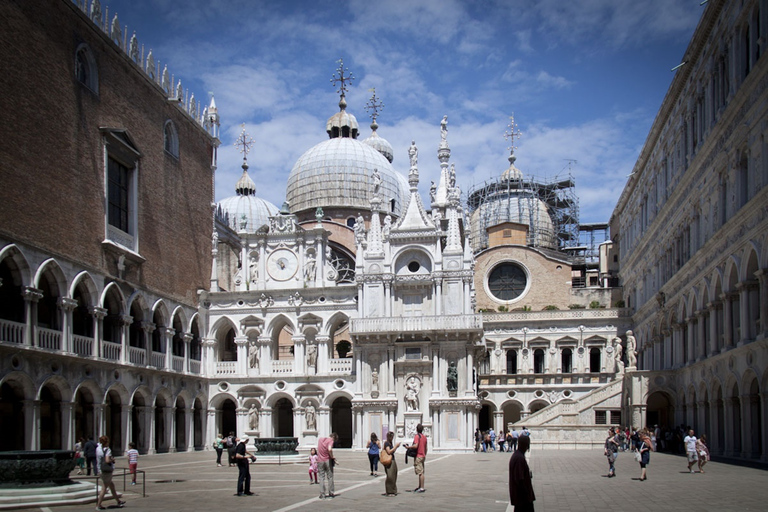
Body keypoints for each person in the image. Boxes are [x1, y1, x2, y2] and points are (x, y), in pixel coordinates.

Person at [95, 436, 124, 510]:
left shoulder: (98, 449)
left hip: (100, 469)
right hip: (106, 471)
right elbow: (107, 460)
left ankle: (118, 501)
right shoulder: (107, 450)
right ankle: (98, 505)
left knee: (112, 486)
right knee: (104, 488)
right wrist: (112, 459)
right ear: (106, 442)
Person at [509, 434, 535, 512]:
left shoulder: (517, 455)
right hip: (522, 498)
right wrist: (527, 495)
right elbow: (520, 479)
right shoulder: (519, 458)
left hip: (520, 497)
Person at [317, 433, 338, 499]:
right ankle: (331, 492)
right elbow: (329, 449)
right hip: (327, 460)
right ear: (334, 438)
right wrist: (332, 457)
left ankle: (322, 494)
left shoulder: (320, 440)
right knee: (330, 476)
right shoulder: (330, 441)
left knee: (321, 477)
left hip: (320, 460)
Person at [410, 423, 427, 493]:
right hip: (422, 456)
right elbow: (426, 448)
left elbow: (416, 446)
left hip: (418, 456)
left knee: (420, 473)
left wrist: (409, 447)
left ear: (416, 429)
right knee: (421, 471)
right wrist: (424, 454)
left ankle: (422, 487)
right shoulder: (424, 437)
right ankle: (420, 486)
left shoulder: (417, 436)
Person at [383, 431, 400, 496]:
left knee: (394, 474)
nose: (392, 438)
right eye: (392, 436)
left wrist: (396, 447)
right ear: (389, 437)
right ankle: (389, 491)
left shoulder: (390, 443)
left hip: (392, 459)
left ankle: (393, 490)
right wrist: (396, 446)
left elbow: (392, 451)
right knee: (390, 476)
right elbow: (389, 452)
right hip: (389, 461)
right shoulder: (387, 443)